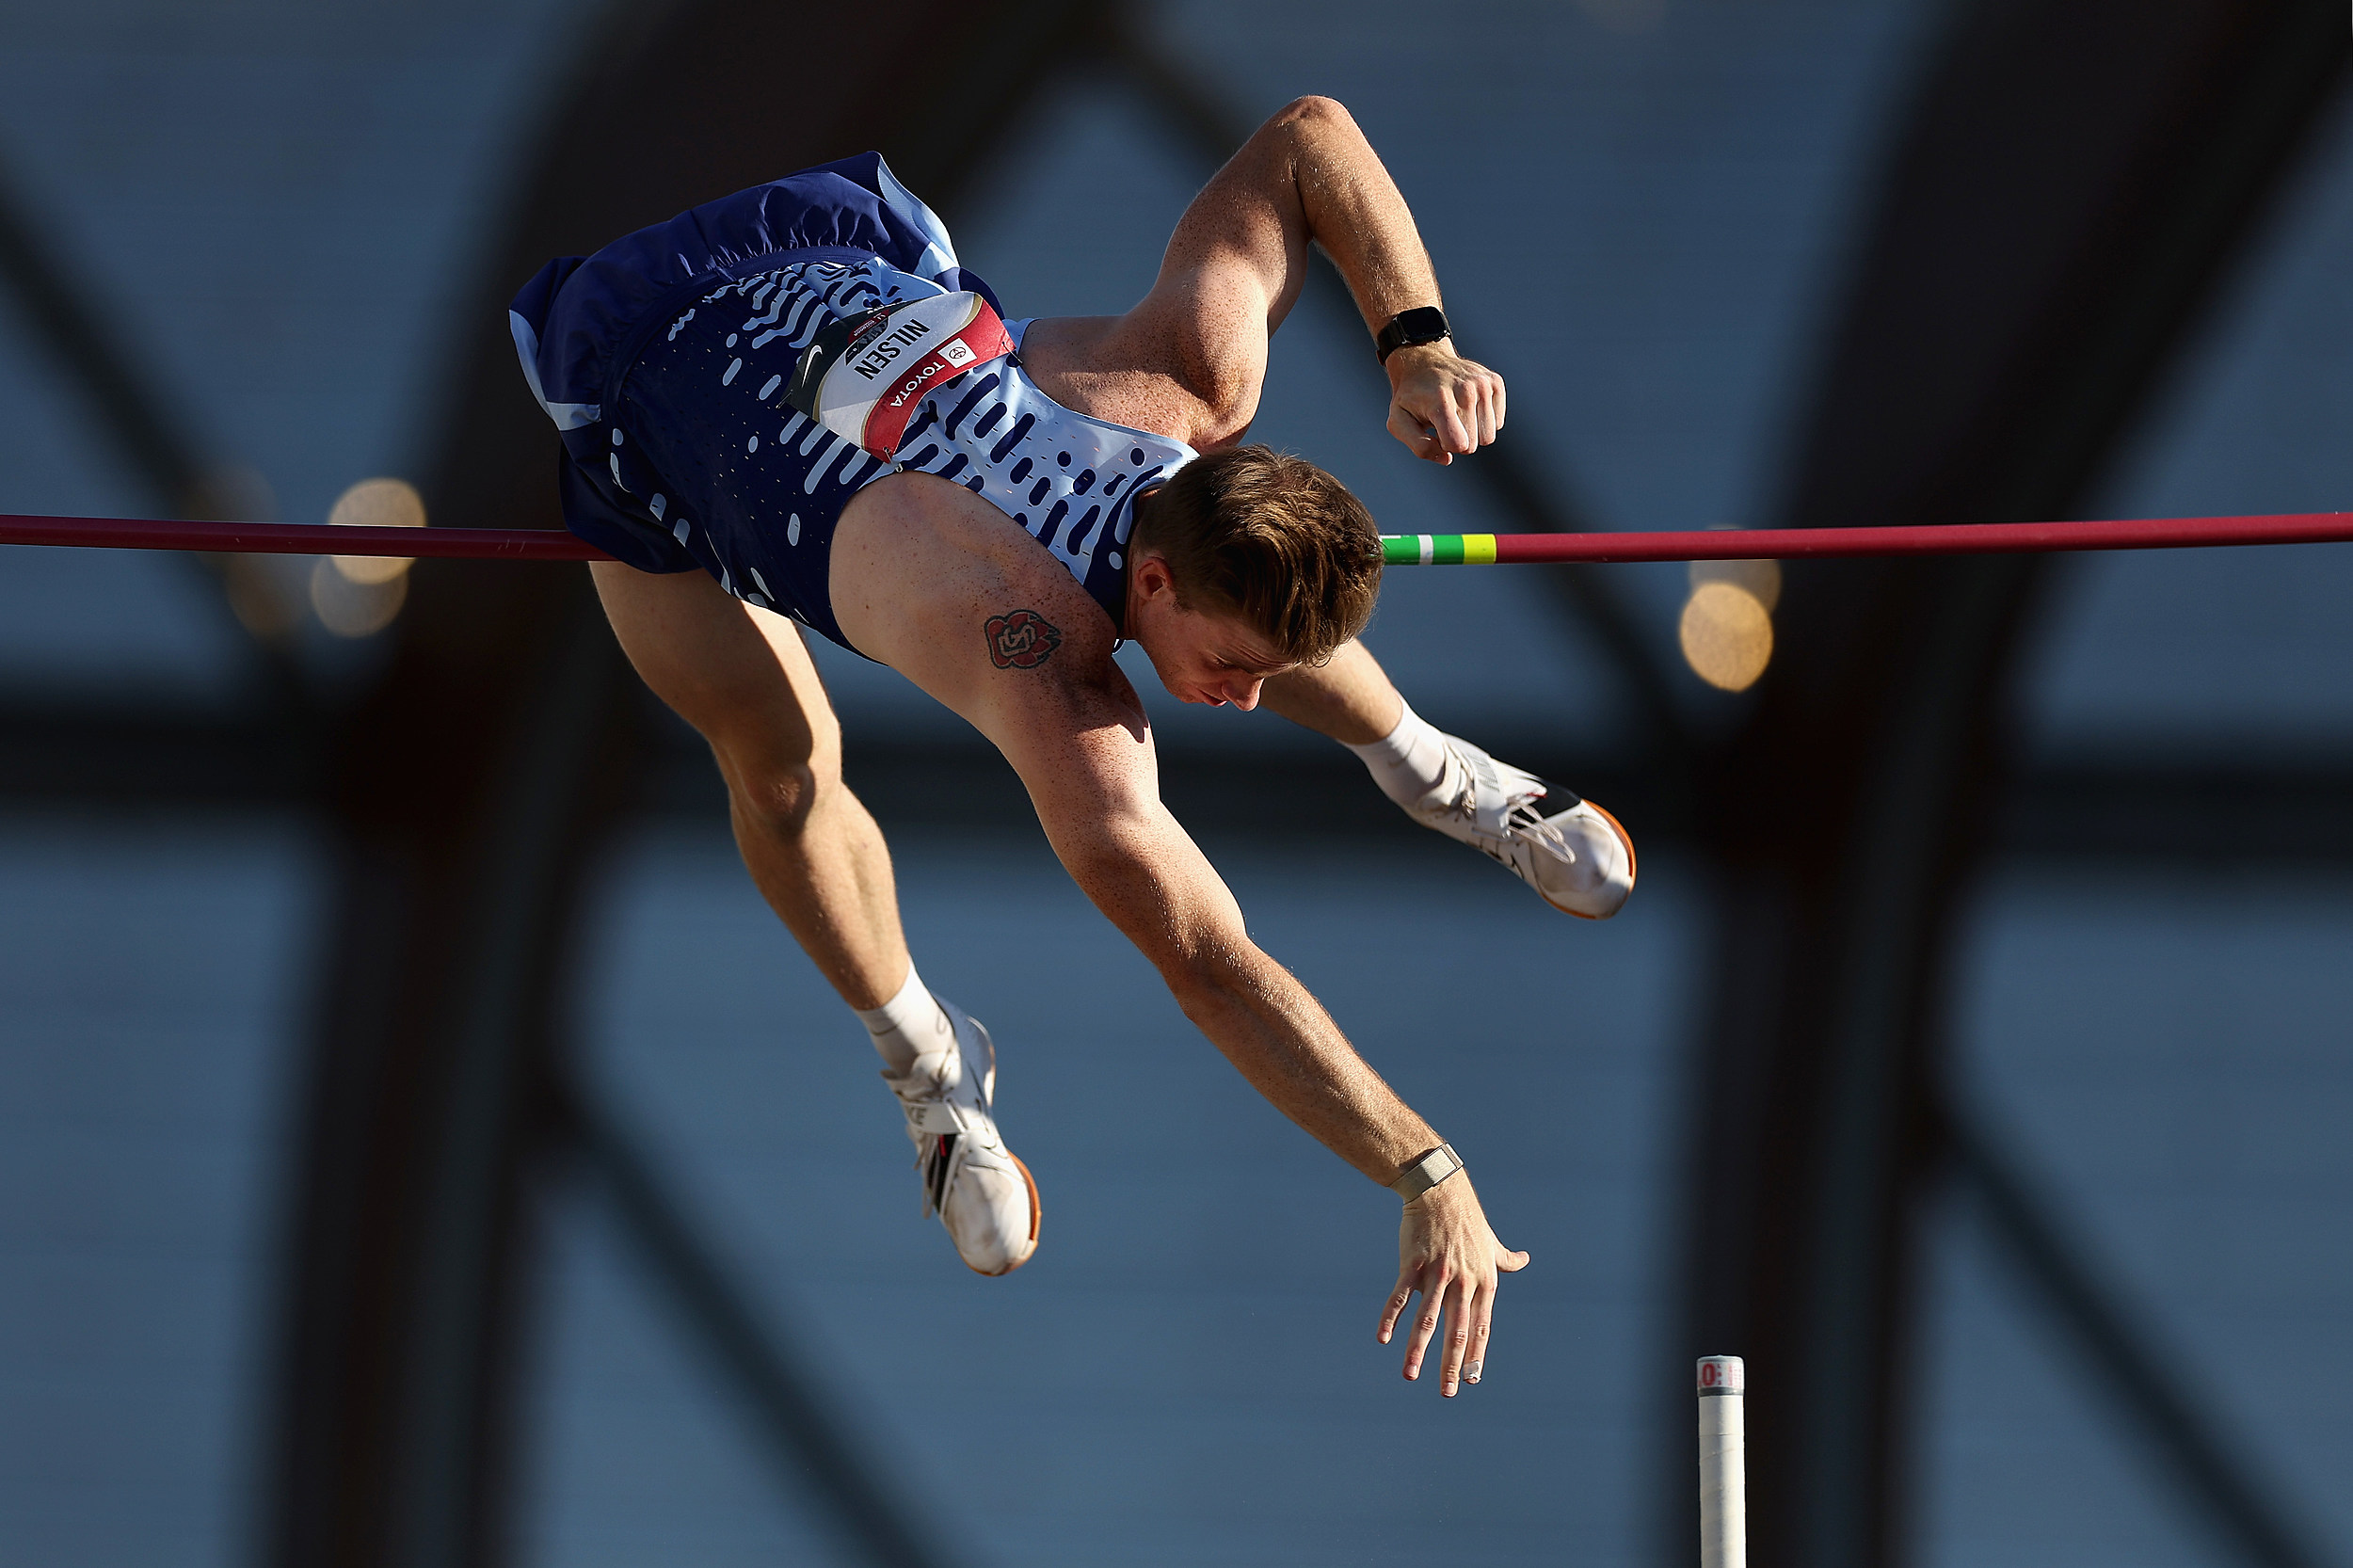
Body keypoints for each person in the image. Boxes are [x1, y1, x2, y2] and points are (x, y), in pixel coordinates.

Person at [510, 97, 1633, 1398]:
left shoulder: (1192, 372)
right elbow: (1210, 962)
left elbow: (1310, 137)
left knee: (1250, 625)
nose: (1249, 700)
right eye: (1230, 665)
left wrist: (1417, 341)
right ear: (1149, 582)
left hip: (843, 280)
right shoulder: (1038, 664)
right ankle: (930, 1064)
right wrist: (1422, 1163)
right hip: (658, 393)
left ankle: (1434, 769)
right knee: (780, 765)